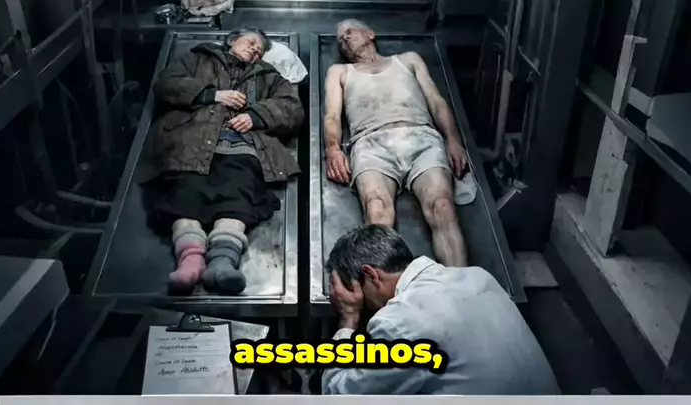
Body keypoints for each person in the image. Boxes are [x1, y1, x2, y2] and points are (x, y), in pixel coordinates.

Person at [136, 27, 304, 296]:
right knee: (186, 197)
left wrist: (256, 116)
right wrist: (212, 94)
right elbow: (167, 83)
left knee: (237, 198)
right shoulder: (198, 59)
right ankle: (190, 262)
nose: (255, 49)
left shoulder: (269, 76)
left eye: (260, 50)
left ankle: (223, 262)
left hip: (241, 146)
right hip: (191, 143)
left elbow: (292, 108)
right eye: (251, 42)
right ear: (232, 40)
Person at [322, 224, 560, 395]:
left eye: (358, 294)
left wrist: (348, 319)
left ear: (371, 275)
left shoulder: (400, 323)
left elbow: (339, 395)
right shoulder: (478, 277)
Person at [324, 19, 471, 267]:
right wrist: (332, 149)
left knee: (442, 206)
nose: (345, 39)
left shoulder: (408, 60)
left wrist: (453, 139)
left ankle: (458, 283)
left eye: (349, 32)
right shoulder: (339, 71)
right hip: (370, 143)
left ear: (370, 33)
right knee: (377, 210)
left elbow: (436, 101)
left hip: (421, 136)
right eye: (341, 39)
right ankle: (386, 288)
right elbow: (331, 115)